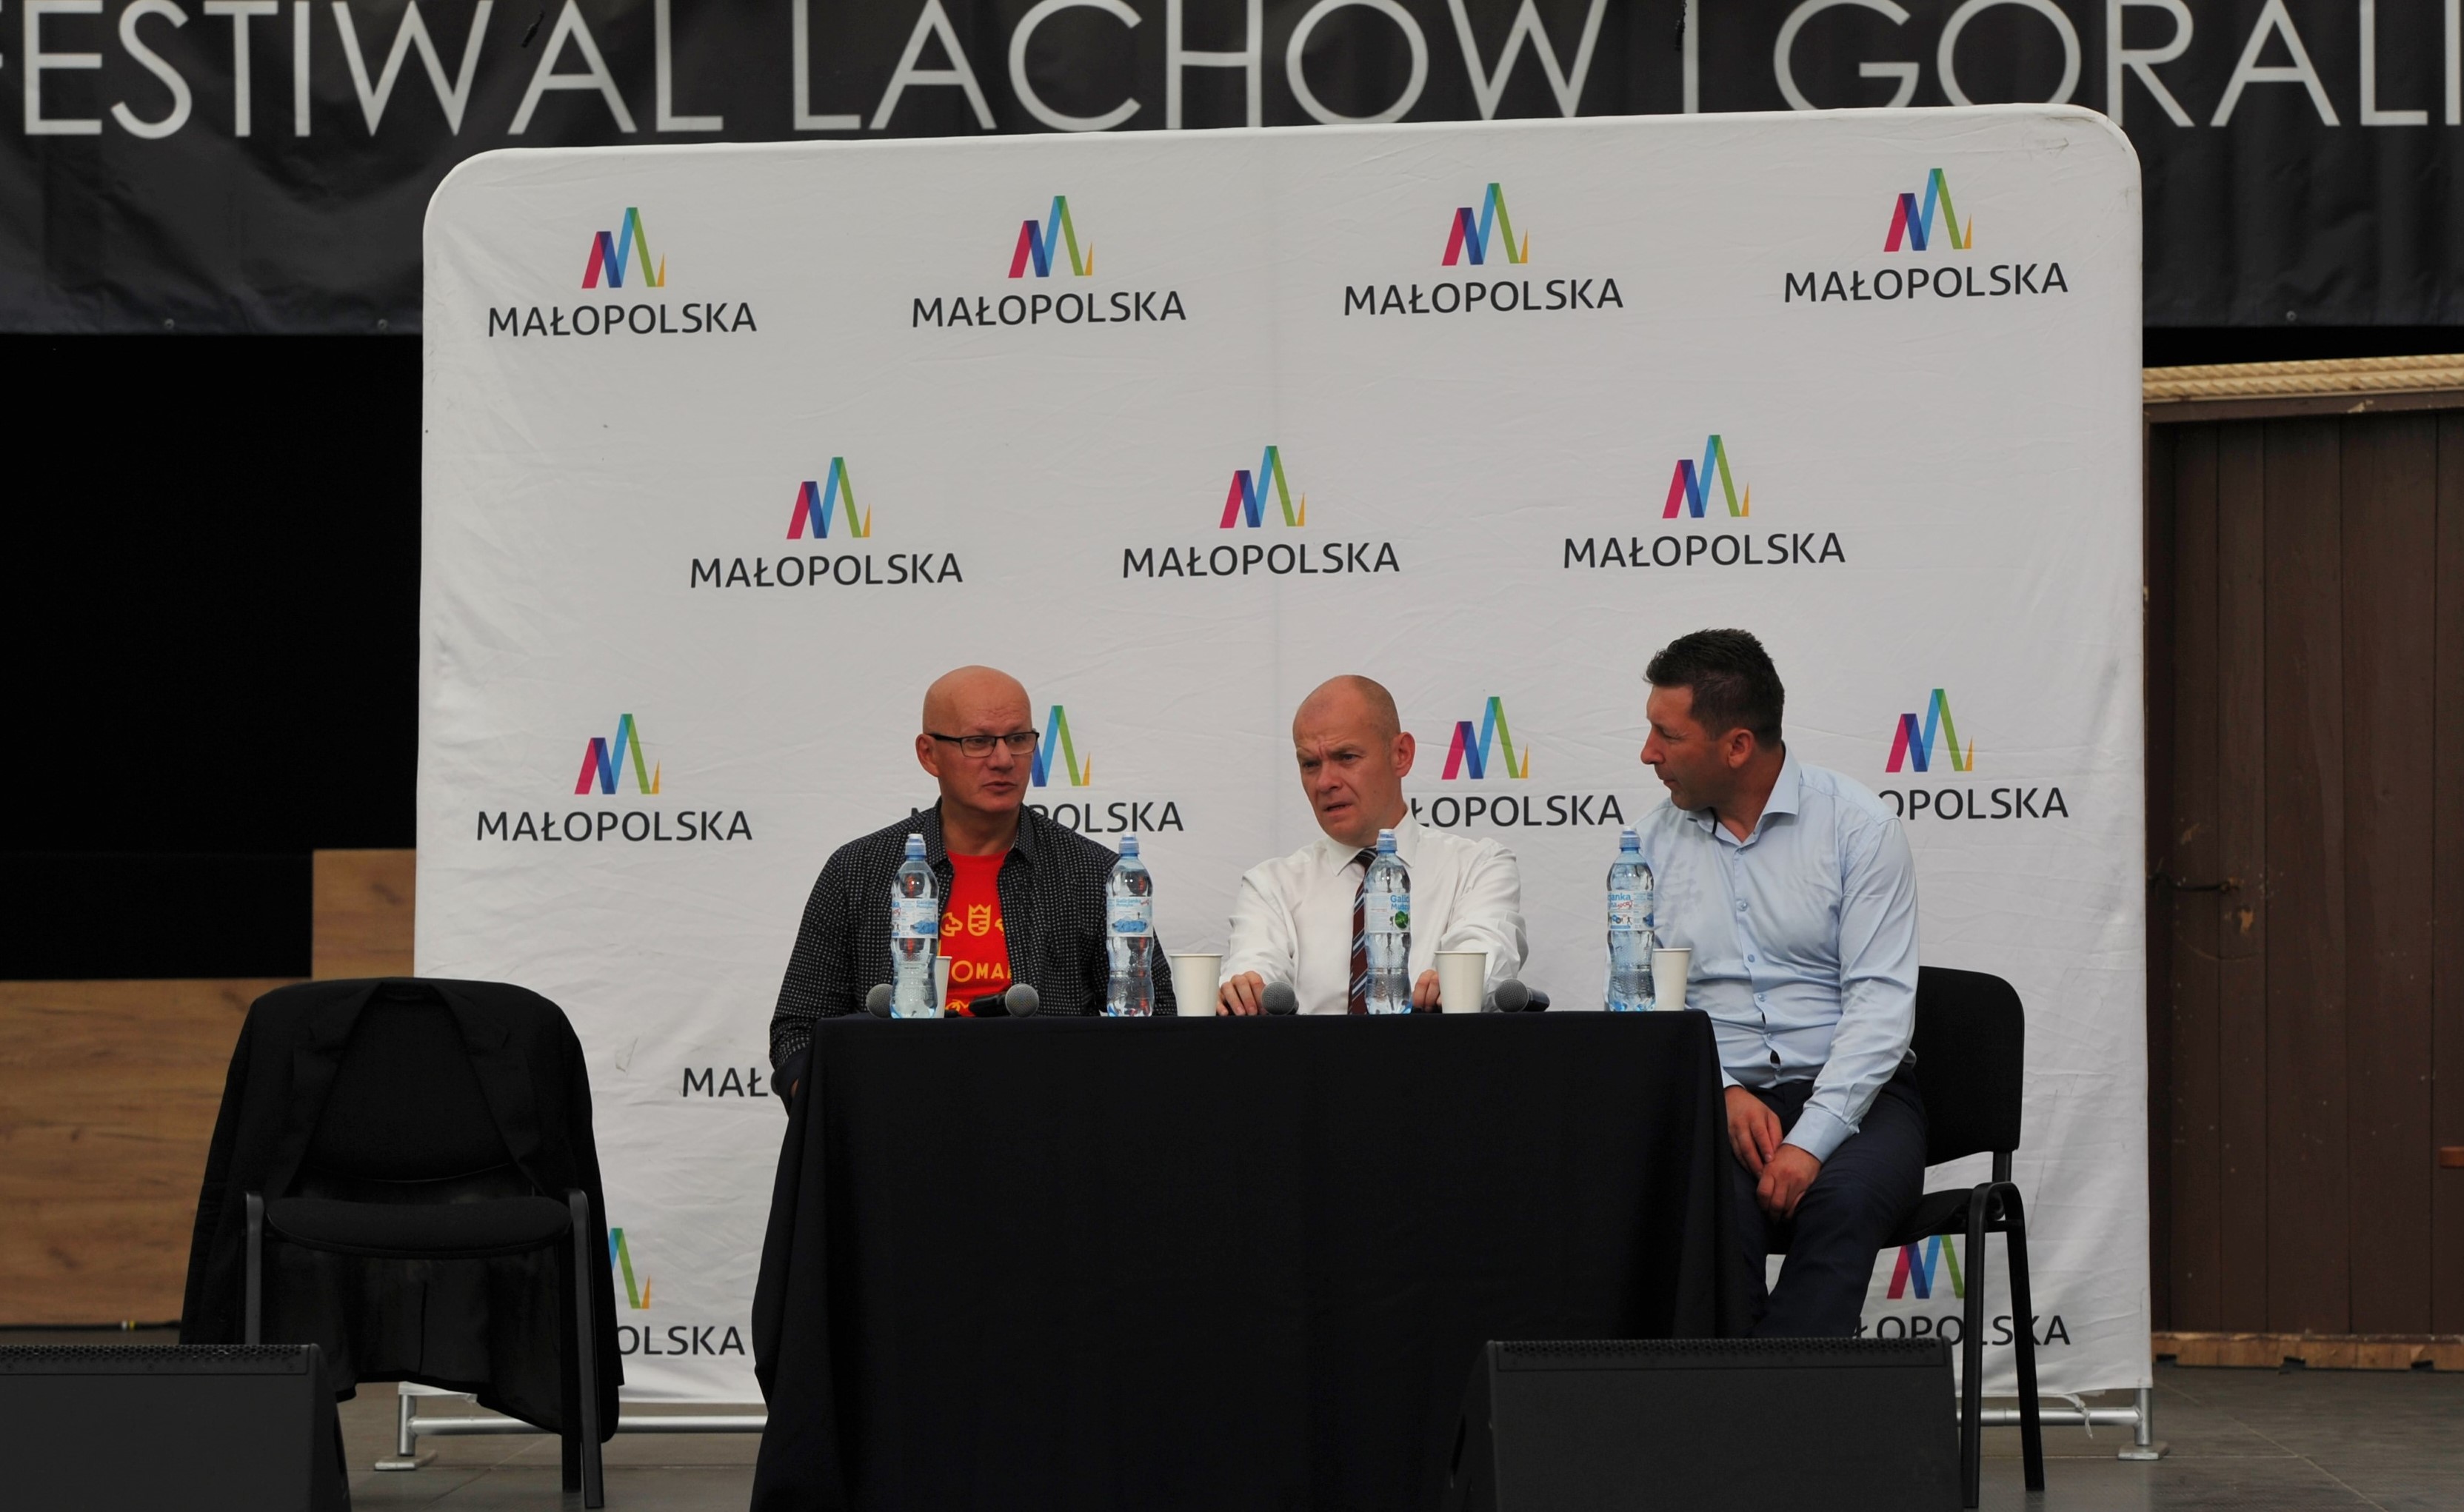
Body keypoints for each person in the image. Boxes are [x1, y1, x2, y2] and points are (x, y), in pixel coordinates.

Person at [1629, 629, 1922, 1337]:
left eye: (1667, 735)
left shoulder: (1857, 828)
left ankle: (1785, 1400)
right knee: (1706, 1215)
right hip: (1718, 1100)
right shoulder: (1647, 844)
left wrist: (1808, 1141)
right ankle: (1740, 1398)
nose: (1648, 754)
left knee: (1841, 1204)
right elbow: (1644, 999)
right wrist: (1721, 1089)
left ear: (1736, 746)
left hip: (1859, 1096)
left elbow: (1880, 1005)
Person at [767, 666, 1178, 1097]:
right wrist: (831, 1102)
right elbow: (798, 1028)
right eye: (978, 742)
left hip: (1049, 1109)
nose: (1003, 760)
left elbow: (1156, 1019)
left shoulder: (1094, 872)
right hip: (896, 1107)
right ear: (929, 754)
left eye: (1018, 739)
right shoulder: (859, 869)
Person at [1218, 675, 1526, 1014]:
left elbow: (1483, 958)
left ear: (1401, 755)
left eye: (1346, 757)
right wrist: (1245, 991)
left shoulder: (1478, 867)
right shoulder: (1270, 885)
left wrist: (1459, 983)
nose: (1325, 782)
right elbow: (1253, 968)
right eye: (1310, 764)